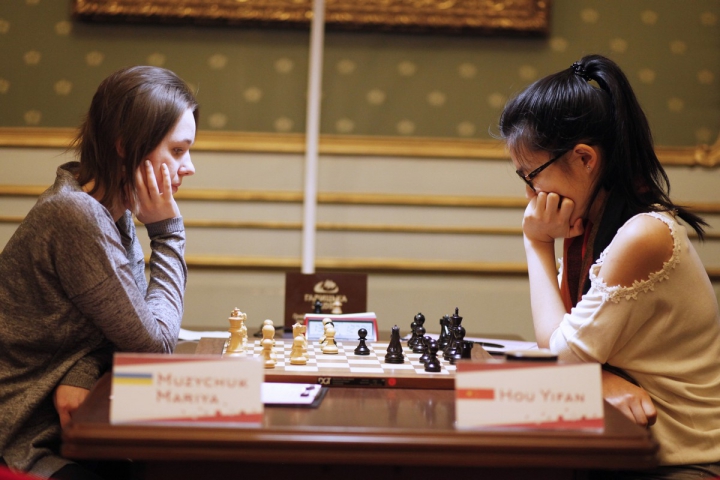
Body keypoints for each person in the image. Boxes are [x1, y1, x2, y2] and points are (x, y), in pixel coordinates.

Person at [499, 54, 720, 478]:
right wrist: (597, 379)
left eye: (532, 175)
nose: (530, 195)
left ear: (585, 159)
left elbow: (560, 354)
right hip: (623, 445)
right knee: (475, 401)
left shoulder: (643, 235)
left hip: (681, 462)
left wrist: (536, 242)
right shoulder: (596, 225)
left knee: (482, 408)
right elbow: (566, 348)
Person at [0, 66, 197, 479]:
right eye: (178, 150)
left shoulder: (109, 209)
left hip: (68, 429)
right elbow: (155, 346)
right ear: (124, 146)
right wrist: (167, 232)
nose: (189, 167)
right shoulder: (77, 215)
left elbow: (130, 328)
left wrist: (83, 369)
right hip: (21, 442)